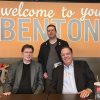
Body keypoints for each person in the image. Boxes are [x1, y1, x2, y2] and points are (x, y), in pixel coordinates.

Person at [38, 24, 69, 93]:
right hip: (48, 77)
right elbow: (40, 60)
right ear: (47, 33)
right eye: (48, 31)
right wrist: (43, 72)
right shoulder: (43, 45)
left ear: (56, 31)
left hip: (62, 75)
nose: (50, 32)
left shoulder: (64, 43)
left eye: (52, 30)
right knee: (49, 96)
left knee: (61, 95)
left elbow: (68, 58)